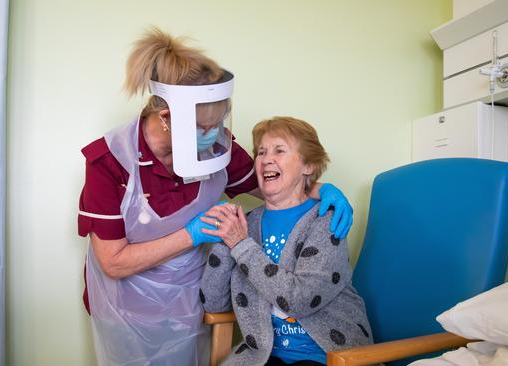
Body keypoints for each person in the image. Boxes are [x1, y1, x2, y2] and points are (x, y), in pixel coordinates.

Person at [77, 28, 354, 366]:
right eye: (204, 128)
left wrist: (322, 188)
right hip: (125, 307)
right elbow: (113, 261)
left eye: (219, 123)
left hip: (187, 304)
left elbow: (279, 185)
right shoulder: (110, 162)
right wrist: (191, 235)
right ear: (167, 119)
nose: (216, 136)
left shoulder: (216, 146)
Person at [199, 117, 373, 366]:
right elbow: (213, 304)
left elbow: (299, 300)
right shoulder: (247, 224)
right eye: (261, 152)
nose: (266, 159)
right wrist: (223, 239)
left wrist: (239, 244)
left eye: (279, 150)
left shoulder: (326, 220)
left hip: (328, 355)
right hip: (264, 355)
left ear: (309, 166)